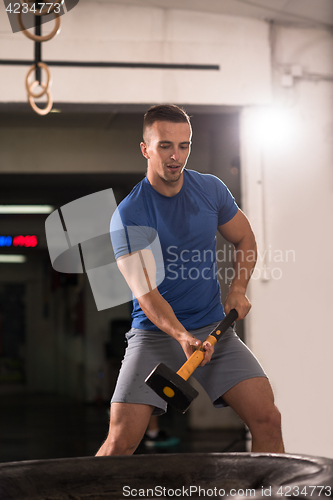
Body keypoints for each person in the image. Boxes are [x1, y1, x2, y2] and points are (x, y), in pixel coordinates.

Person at [96, 104, 284, 456]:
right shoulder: (129, 216)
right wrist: (181, 335)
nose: (176, 156)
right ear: (146, 149)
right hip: (156, 335)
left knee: (267, 419)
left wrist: (238, 289)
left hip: (214, 328)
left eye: (185, 145)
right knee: (120, 443)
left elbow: (246, 239)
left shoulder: (211, 190)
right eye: (165, 145)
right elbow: (147, 294)